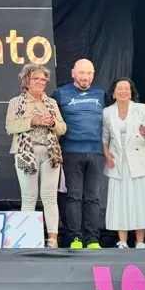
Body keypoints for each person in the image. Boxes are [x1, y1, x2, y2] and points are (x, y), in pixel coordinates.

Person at [6, 64, 66, 248]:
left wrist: (52, 122)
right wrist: (32, 121)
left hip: (50, 154)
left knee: (49, 197)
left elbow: (62, 128)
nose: (41, 82)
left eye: (43, 79)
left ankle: (53, 239)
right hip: (26, 153)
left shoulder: (51, 103)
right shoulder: (16, 102)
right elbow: (10, 127)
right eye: (36, 78)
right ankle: (28, 238)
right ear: (26, 81)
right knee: (29, 196)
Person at [51, 59, 107, 249]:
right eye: (82, 73)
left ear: (93, 74)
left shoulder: (101, 95)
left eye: (89, 73)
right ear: (73, 73)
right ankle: (75, 238)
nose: (85, 77)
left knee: (93, 197)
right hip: (71, 152)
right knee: (74, 197)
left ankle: (92, 239)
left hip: (97, 152)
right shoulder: (60, 94)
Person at [102, 78, 145, 249]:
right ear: (113, 93)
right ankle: (122, 241)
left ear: (131, 92)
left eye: (127, 89)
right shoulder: (107, 112)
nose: (124, 91)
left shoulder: (142, 109)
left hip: (139, 160)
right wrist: (107, 154)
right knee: (120, 200)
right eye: (120, 88)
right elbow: (105, 136)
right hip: (118, 161)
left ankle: (140, 242)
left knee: (140, 200)